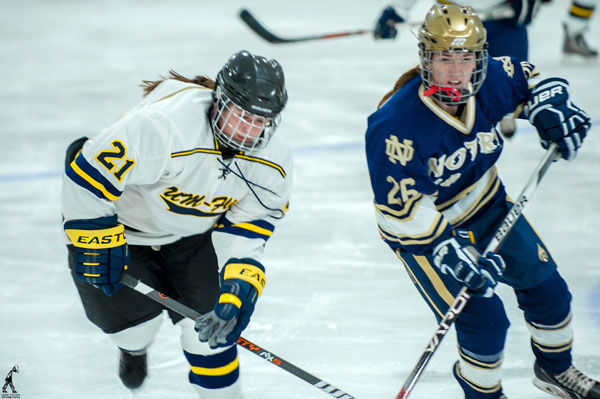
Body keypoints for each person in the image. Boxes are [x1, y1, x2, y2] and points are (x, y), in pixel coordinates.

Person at [365, 4, 598, 399]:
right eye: (444, 59)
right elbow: (402, 213)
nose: (456, 71)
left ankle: (555, 369)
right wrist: (450, 252)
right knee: (485, 321)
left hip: (488, 206)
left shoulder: (490, 80)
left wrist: (549, 107)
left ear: (480, 57)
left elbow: (529, 79)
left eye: (466, 58)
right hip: (428, 234)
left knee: (549, 291)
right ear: (426, 59)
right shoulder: (393, 128)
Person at [60, 49, 291, 398]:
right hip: (126, 233)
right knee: (133, 330)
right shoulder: (163, 127)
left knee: (213, 341)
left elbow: (252, 220)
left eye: (262, 121)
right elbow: (87, 177)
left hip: (194, 236)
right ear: (220, 103)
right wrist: (94, 236)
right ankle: (132, 349)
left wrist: (241, 280)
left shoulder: (273, 159)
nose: (251, 131)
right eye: (243, 116)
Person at [374, 0, 541, 139]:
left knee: (510, 78)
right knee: (451, 75)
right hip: (452, 19)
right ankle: (450, 122)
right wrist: (398, 9)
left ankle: (504, 112)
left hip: (504, 17)